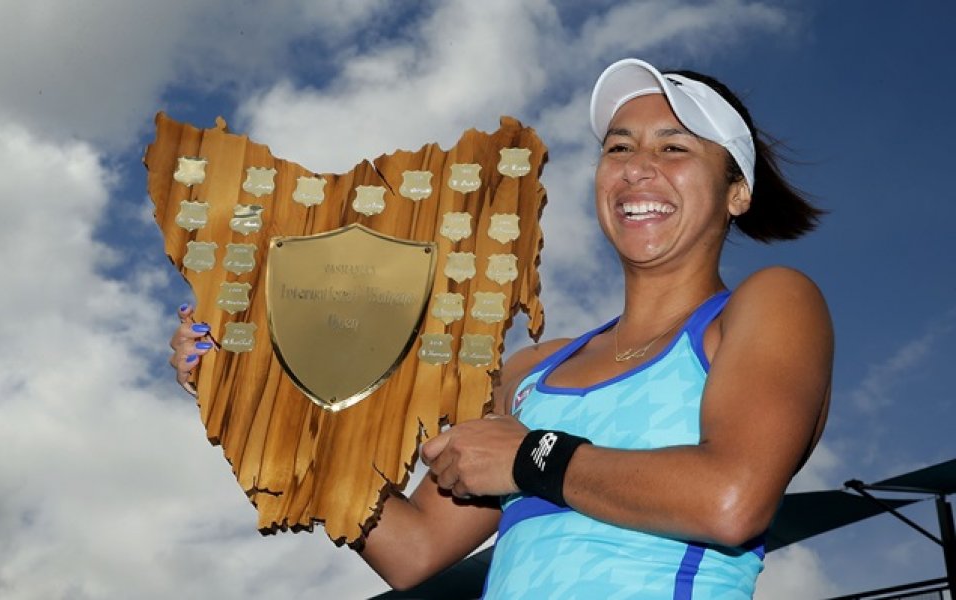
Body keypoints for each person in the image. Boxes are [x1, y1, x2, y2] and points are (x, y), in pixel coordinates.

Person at [170, 58, 833, 598]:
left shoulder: (772, 302)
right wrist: (257, 404)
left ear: (736, 191)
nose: (637, 166)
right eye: (619, 148)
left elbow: (731, 500)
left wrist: (527, 457)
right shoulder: (526, 372)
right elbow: (415, 548)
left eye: (675, 147)